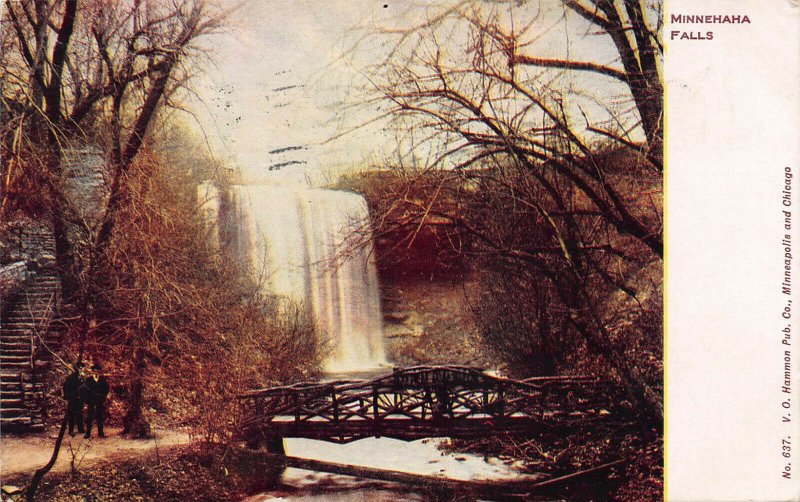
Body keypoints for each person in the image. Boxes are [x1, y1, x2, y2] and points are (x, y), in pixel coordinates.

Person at [82, 362, 109, 438]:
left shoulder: (102, 380)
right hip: (91, 401)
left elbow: (106, 389)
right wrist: (87, 399)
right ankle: (88, 433)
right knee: (89, 417)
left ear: (99, 371)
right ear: (92, 371)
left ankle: (100, 433)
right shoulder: (88, 380)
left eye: (97, 370)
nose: (96, 371)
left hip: (99, 401)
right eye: (94, 370)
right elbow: (85, 390)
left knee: (99, 416)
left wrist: (102, 397)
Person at [62, 363, 84, 436]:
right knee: (72, 414)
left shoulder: (82, 377)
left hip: (80, 398)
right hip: (73, 398)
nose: (81, 369)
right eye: (79, 368)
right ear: (76, 369)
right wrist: (68, 397)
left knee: (80, 412)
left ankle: (81, 429)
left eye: (82, 368)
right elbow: (65, 387)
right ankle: (71, 430)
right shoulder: (70, 378)